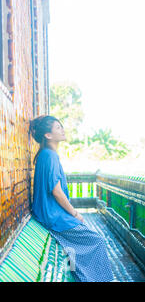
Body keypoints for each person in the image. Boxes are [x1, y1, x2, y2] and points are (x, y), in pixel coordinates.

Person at [29, 115, 114, 282]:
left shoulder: (45, 155)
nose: (63, 130)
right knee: (97, 241)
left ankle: (86, 278)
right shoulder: (50, 156)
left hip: (48, 215)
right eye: (58, 127)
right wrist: (75, 214)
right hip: (53, 217)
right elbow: (56, 191)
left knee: (75, 250)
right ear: (48, 135)